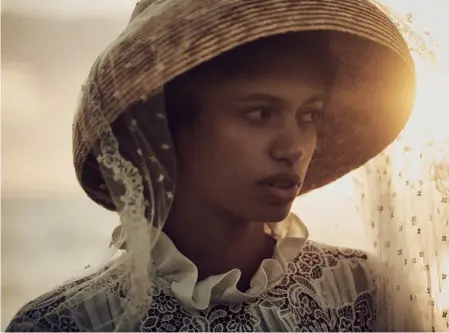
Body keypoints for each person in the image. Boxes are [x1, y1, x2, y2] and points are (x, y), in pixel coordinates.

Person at [6, 0, 420, 331]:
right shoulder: (64, 324)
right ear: (170, 126)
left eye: (309, 115)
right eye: (259, 113)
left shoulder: (364, 293)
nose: (294, 148)